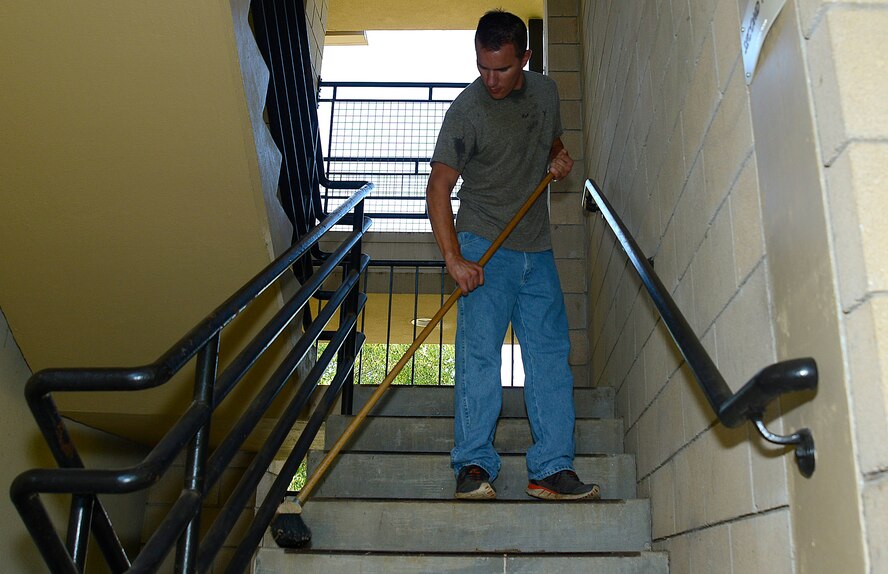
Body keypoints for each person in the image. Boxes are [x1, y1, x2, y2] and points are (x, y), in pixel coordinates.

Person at [426, 10, 600, 501]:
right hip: (484, 246)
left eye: (501, 68)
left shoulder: (545, 92)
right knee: (480, 355)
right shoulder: (466, 110)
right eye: (482, 67)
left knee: (548, 358)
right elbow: (438, 187)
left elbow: (551, 139)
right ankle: (474, 466)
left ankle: (551, 468)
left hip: (536, 248)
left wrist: (557, 158)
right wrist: (454, 258)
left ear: (524, 58)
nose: (490, 79)